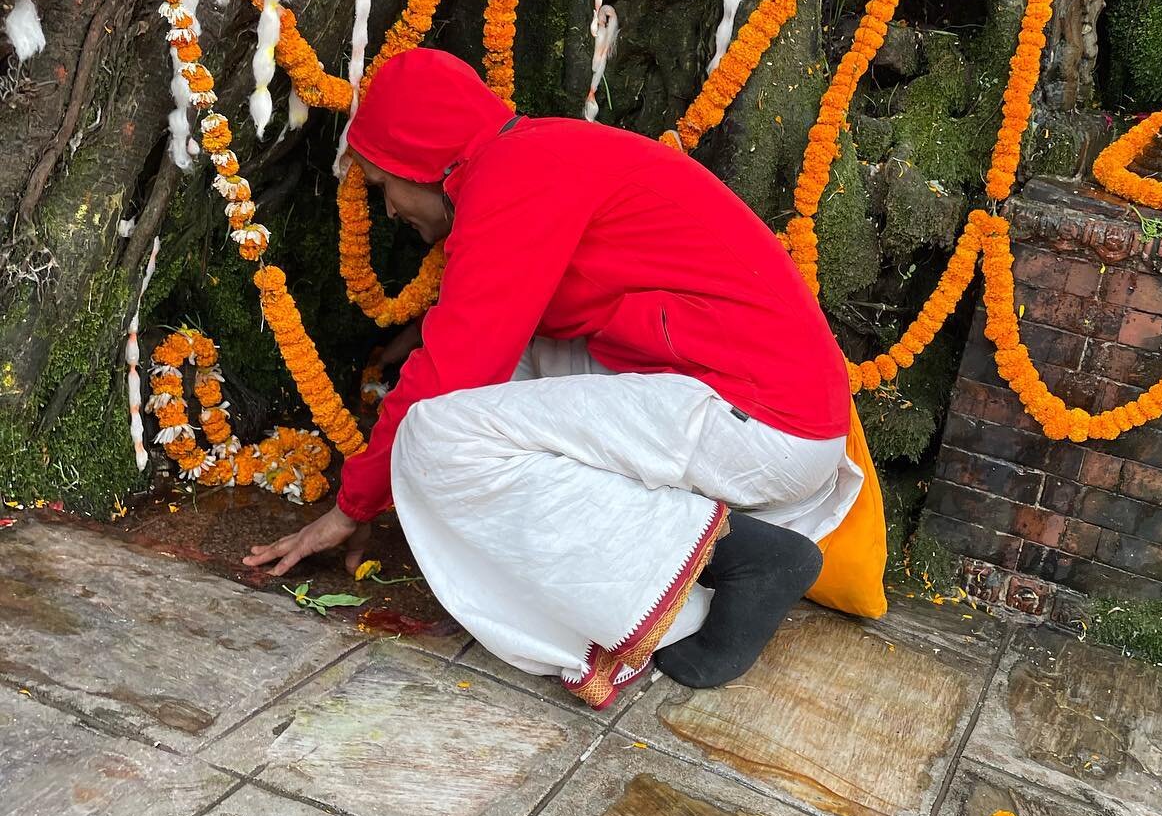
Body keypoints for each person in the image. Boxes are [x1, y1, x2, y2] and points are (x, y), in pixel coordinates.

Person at [243, 48, 861, 708]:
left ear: (420, 163)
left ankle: (735, 563)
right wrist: (421, 339)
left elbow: (451, 378)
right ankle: (708, 544)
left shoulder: (518, 179)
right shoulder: (535, 155)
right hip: (758, 412)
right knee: (495, 388)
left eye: (381, 186)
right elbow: (493, 338)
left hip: (763, 426)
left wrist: (351, 507)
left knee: (436, 434)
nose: (390, 211)